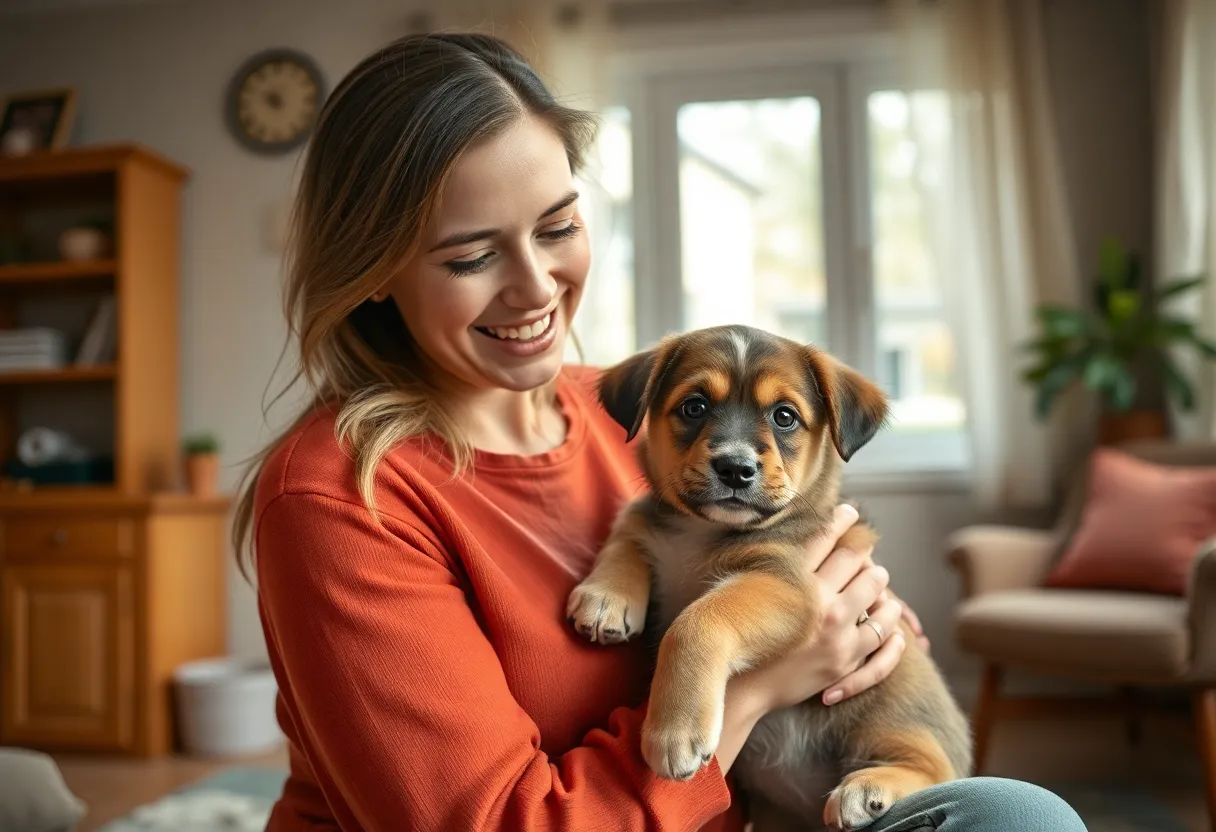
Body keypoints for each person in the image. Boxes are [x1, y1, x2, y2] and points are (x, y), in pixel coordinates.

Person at [232, 31, 1088, 832]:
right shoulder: (342, 498)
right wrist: (753, 687)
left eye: (558, 226)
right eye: (470, 256)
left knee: (1012, 815)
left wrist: (853, 625)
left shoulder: (633, 415)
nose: (536, 289)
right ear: (374, 268)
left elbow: (846, 630)